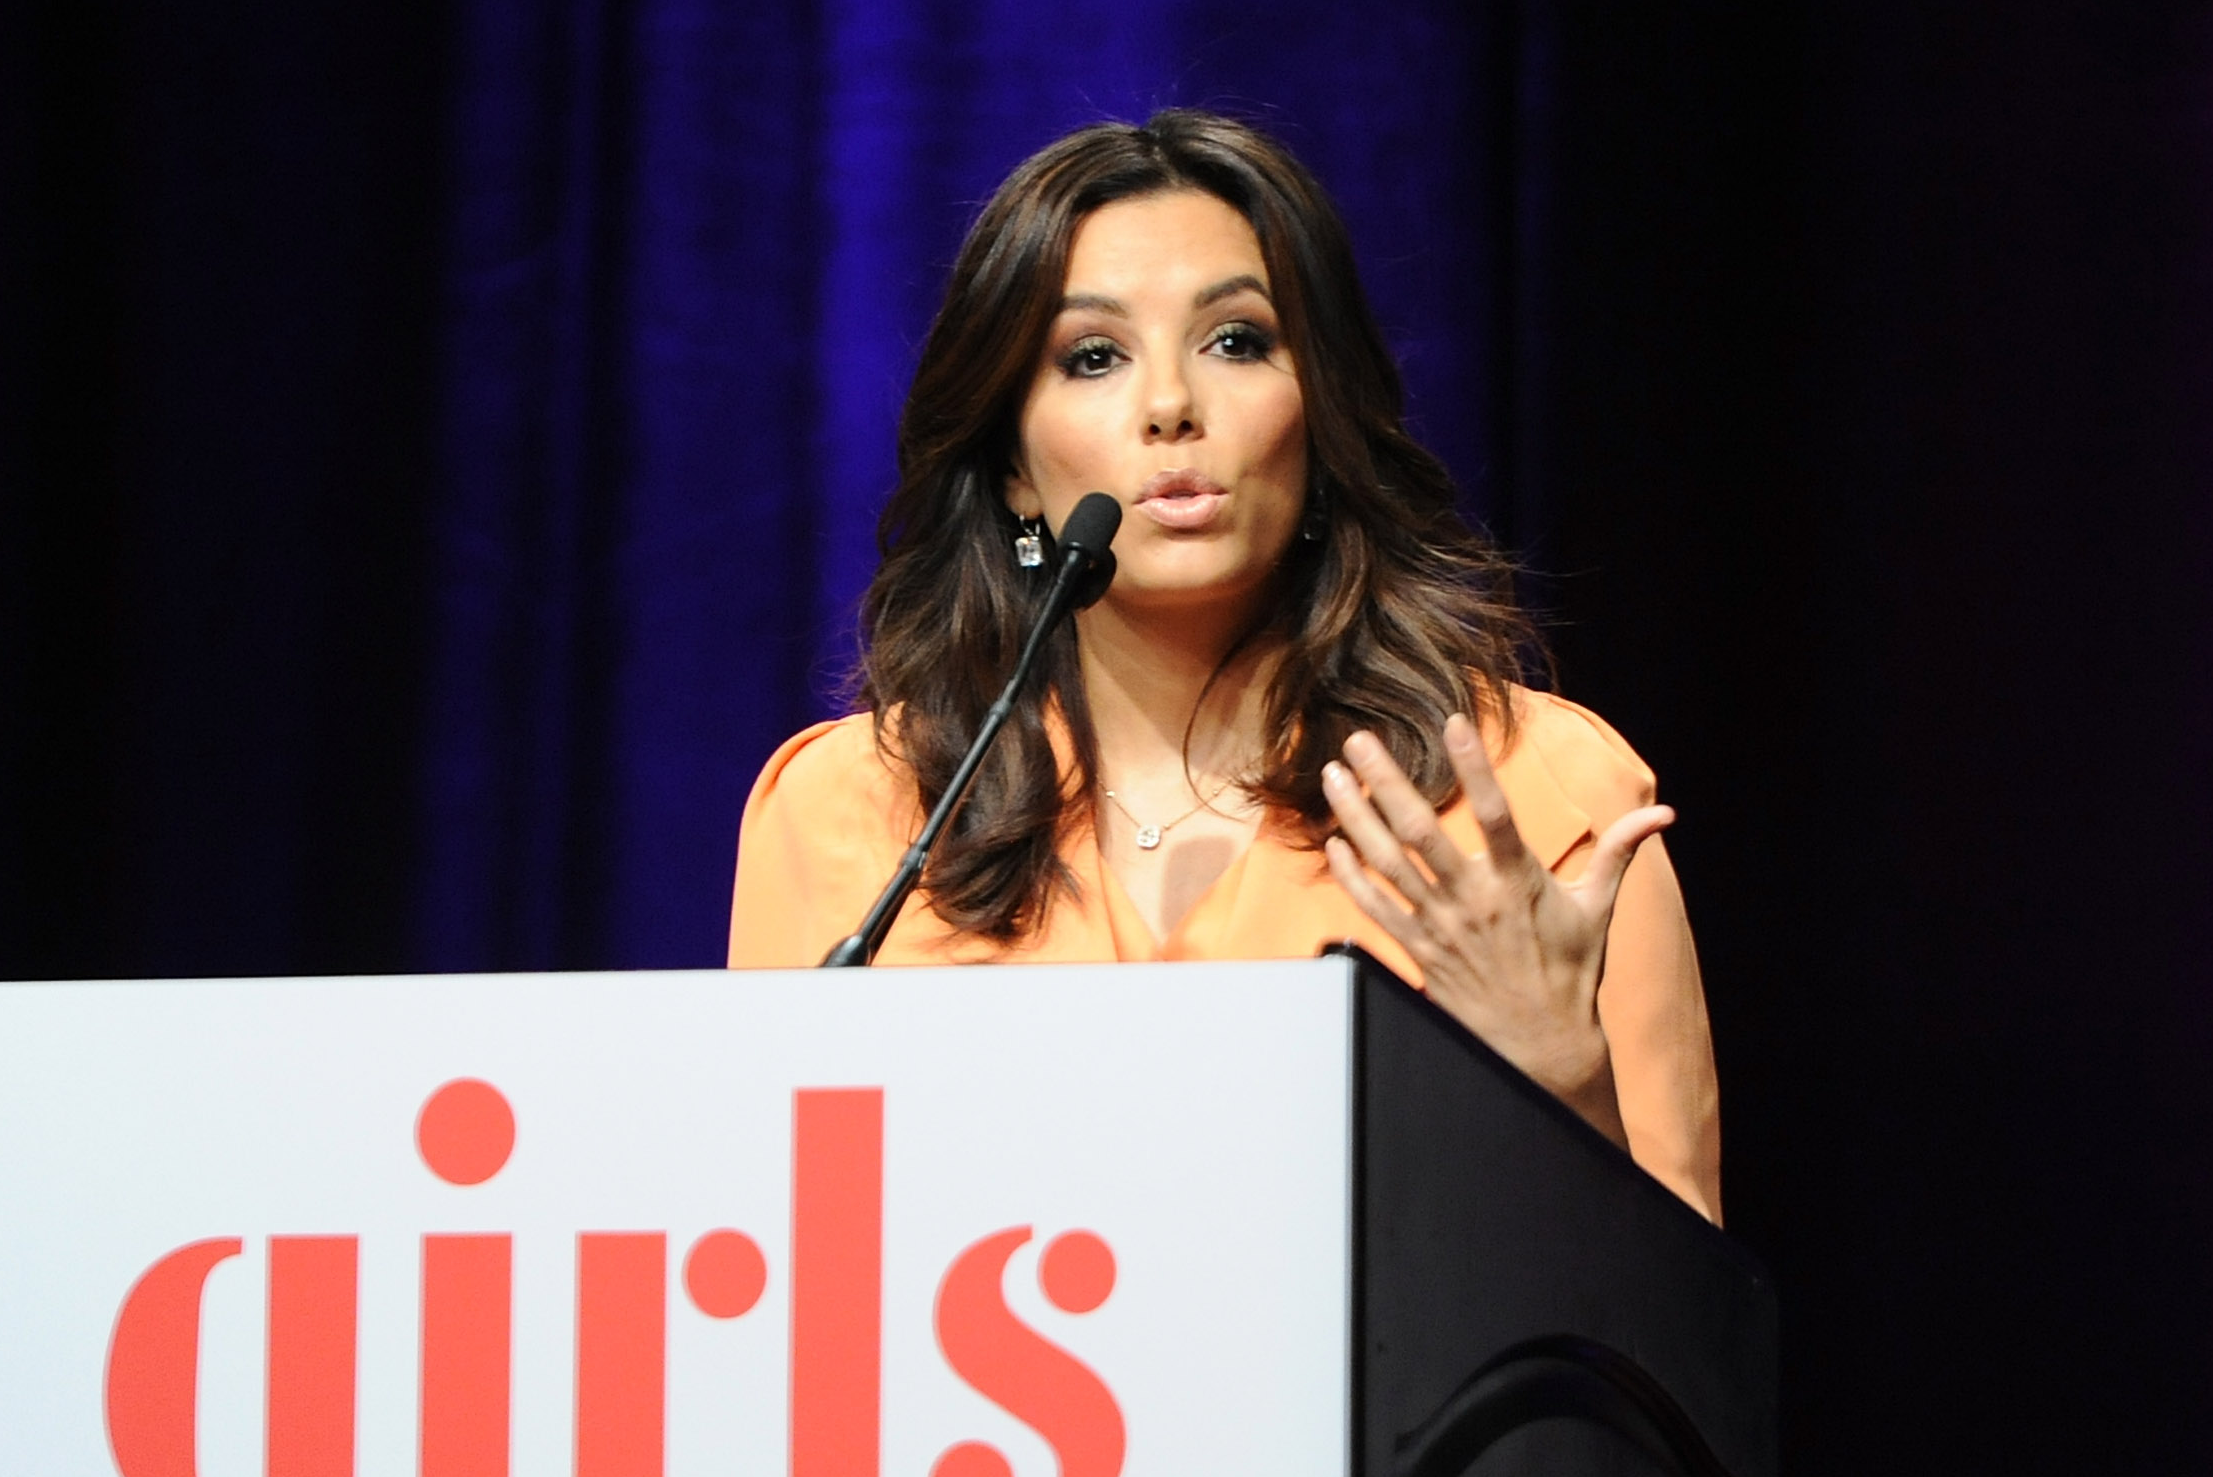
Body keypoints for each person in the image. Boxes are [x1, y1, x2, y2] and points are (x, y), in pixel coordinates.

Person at [728, 111, 1722, 1222]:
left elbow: (1670, 1376)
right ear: (1014, 467)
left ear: (1323, 408)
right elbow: (778, 1290)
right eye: (1093, 357)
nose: (1170, 408)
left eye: (1238, 341)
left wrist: (1564, 1082)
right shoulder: (849, 814)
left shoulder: (1531, 796)